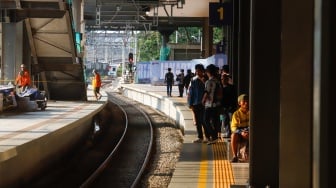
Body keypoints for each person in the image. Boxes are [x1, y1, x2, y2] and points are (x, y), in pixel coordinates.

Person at [187, 64, 208, 143]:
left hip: (204, 104)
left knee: (204, 121)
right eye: (196, 70)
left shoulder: (206, 80)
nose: (197, 72)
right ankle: (200, 137)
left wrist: (204, 81)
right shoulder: (193, 80)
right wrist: (190, 104)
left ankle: (207, 136)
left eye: (199, 70)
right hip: (195, 103)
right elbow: (190, 93)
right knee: (198, 121)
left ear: (203, 71)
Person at [202, 64, 221, 144]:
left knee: (205, 120)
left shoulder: (209, 82)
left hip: (210, 104)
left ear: (208, 72)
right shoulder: (217, 81)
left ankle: (213, 136)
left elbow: (206, 92)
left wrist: (203, 100)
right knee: (215, 121)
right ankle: (214, 137)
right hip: (217, 104)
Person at [230, 94, 249, 162]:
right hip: (240, 133)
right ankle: (235, 156)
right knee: (233, 136)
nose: (246, 103)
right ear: (239, 103)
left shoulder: (252, 112)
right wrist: (241, 132)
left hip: (249, 132)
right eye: (244, 101)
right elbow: (233, 127)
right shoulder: (236, 114)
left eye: (247, 101)